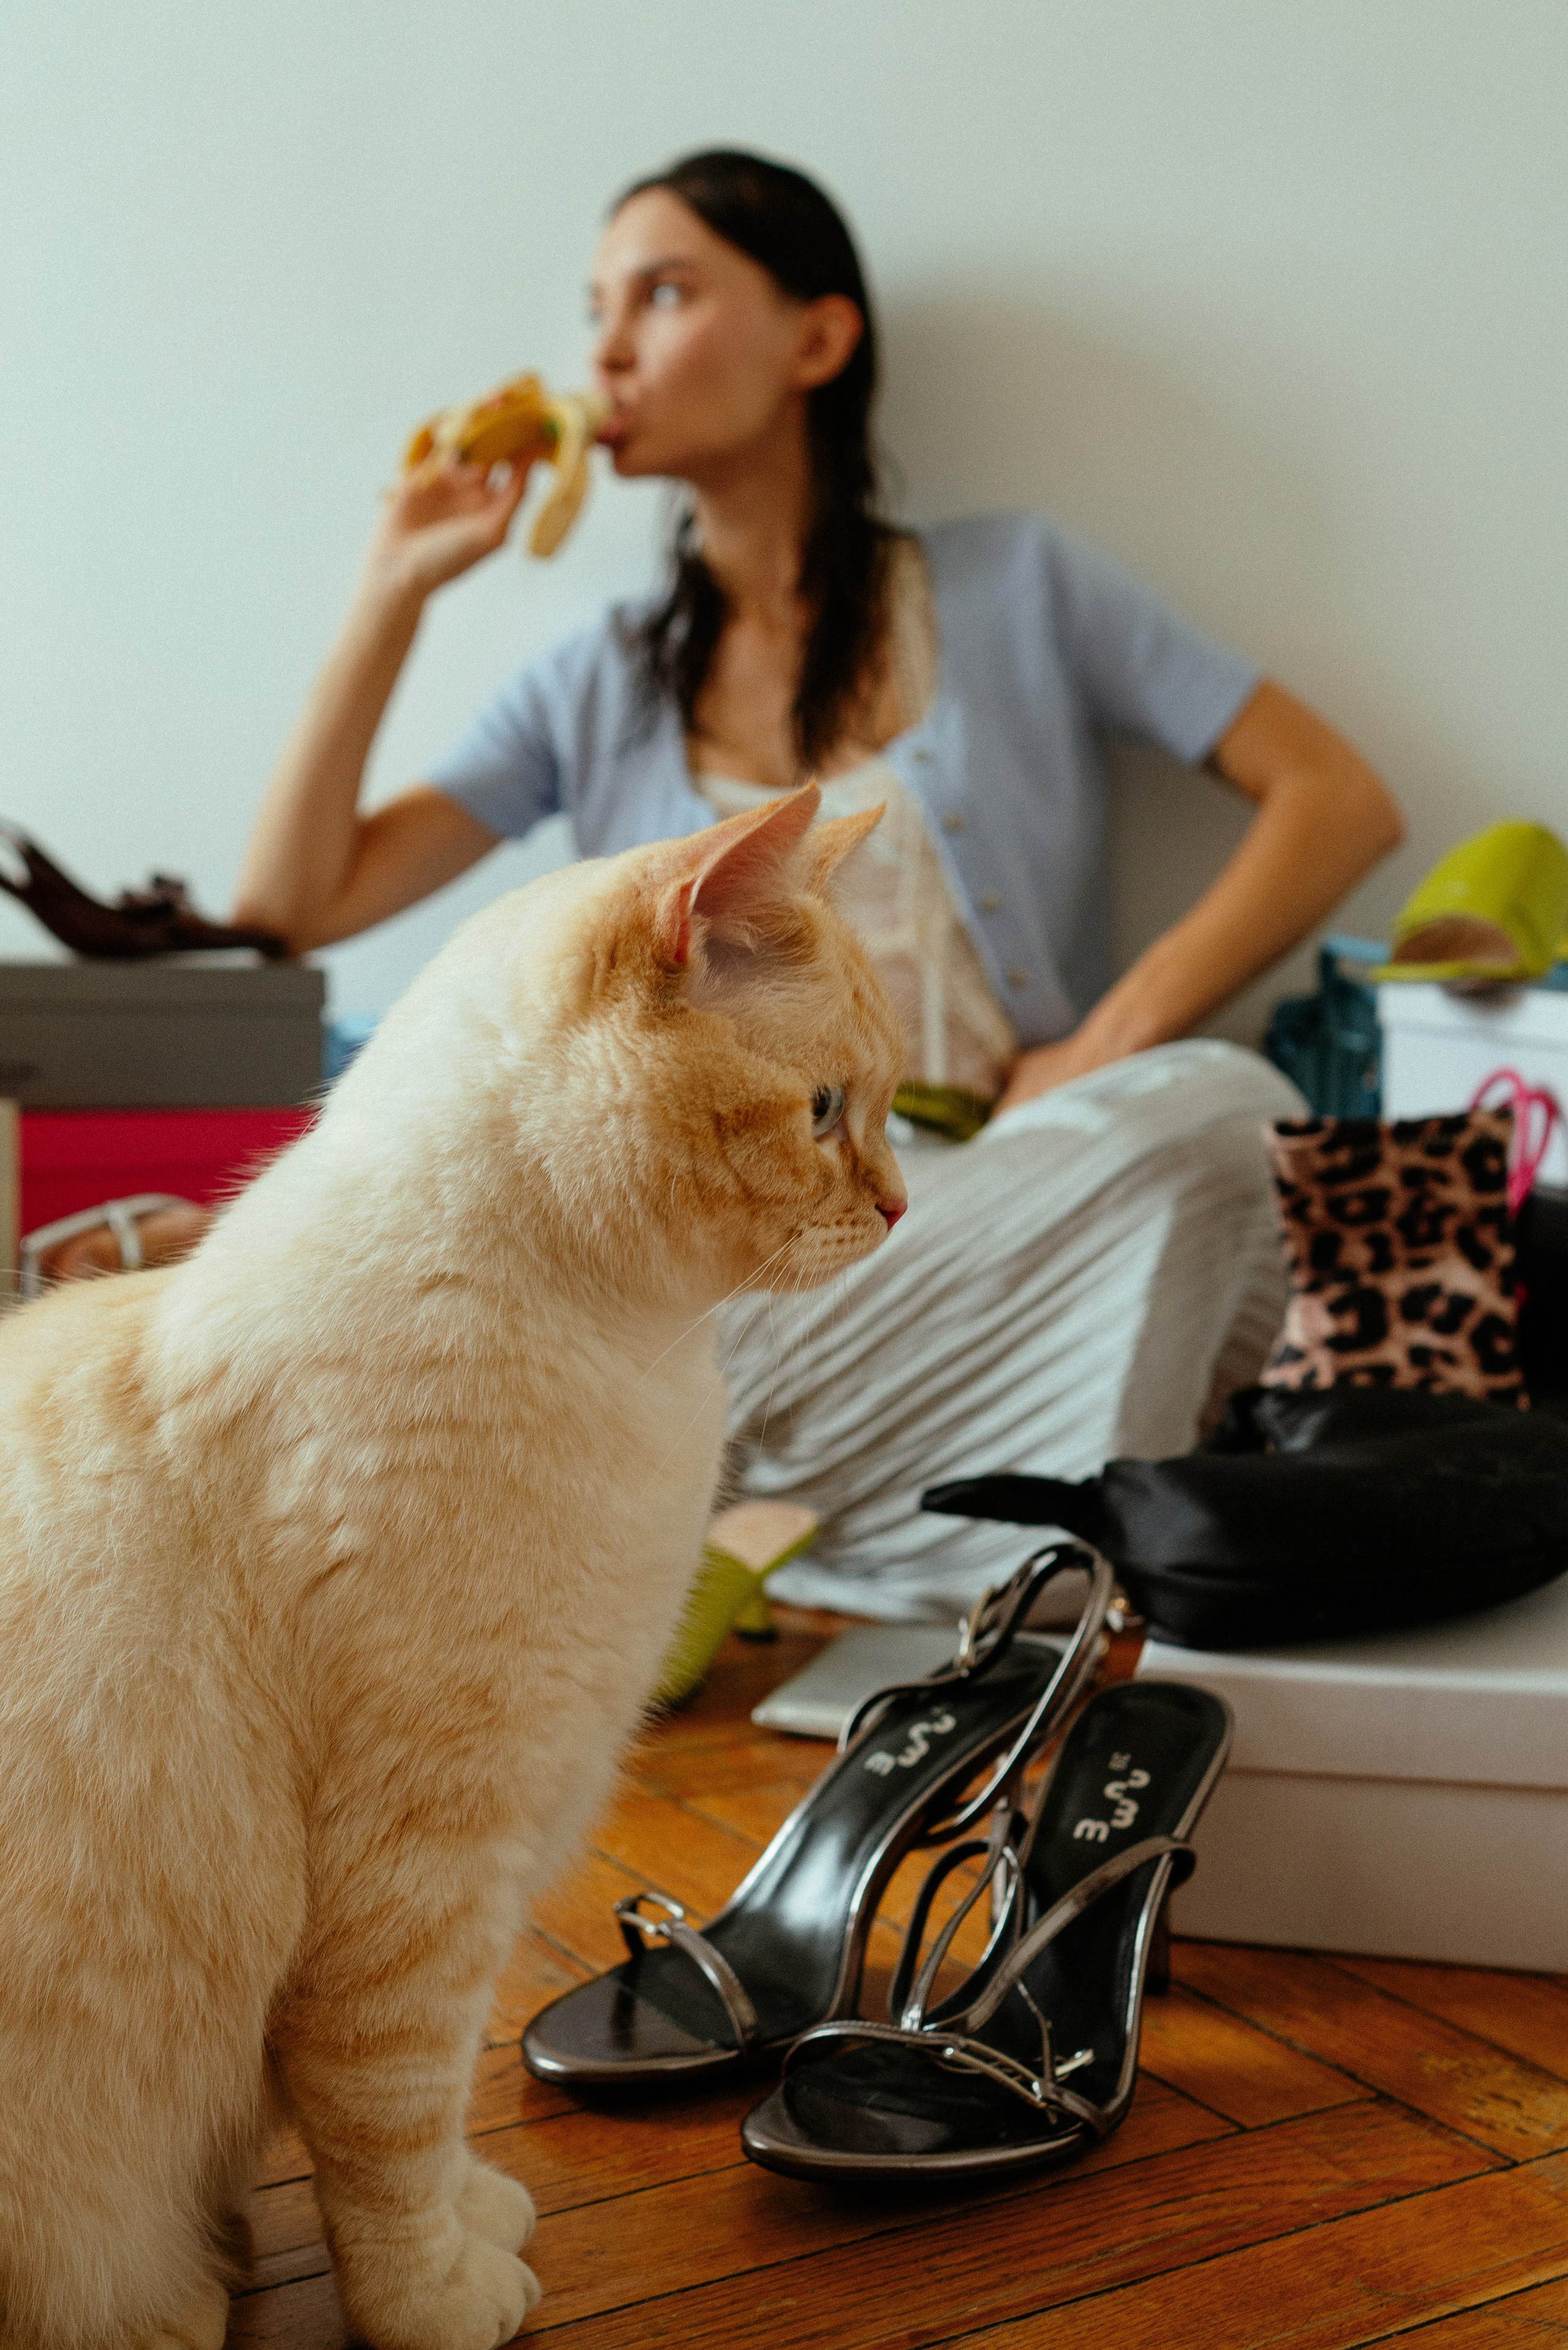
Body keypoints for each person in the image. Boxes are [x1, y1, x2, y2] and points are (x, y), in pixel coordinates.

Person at [110, 151, 1411, 1613]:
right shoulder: (593, 680)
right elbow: (289, 905)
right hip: (713, 1248)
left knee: (1226, 1112)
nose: (605, 347)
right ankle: (832, 1498)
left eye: (662, 293)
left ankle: (720, 1495)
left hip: (986, 1199)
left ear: (816, 337)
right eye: (595, 306)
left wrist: (1101, 1045)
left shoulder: (1016, 589)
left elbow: (1336, 797)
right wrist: (392, 586)